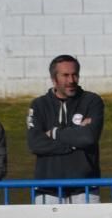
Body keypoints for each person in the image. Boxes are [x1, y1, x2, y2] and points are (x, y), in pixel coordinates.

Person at [27, 54, 104, 204]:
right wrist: (74, 140)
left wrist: (54, 133)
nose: (71, 80)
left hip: (85, 188)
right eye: (65, 75)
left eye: (75, 75)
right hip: (48, 190)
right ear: (53, 78)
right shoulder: (38, 105)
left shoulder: (92, 101)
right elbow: (35, 143)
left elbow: (89, 138)